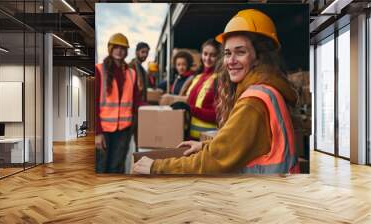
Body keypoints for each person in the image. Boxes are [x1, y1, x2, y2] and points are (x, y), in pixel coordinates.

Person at [132, 9, 300, 175]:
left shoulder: (253, 102)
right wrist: (205, 145)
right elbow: (242, 145)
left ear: (259, 56)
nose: (231, 61)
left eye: (240, 52)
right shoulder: (268, 91)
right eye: (227, 53)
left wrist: (157, 167)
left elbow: (213, 161)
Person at [95, 33, 139, 173]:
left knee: (117, 167)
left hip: (124, 130)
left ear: (126, 51)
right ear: (110, 48)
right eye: (116, 47)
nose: (119, 51)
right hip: (104, 130)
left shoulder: (132, 73)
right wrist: (97, 132)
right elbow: (93, 104)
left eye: (123, 48)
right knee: (101, 167)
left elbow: (136, 101)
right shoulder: (99, 70)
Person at [184, 38, 221, 140]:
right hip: (189, 138)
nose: (208, 58)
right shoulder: (197, 77)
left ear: (219, 57)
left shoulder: (221, 80)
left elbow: (218, 116)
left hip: (206, 142)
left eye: (212, 55)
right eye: (205, 54)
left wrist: (190, 109)